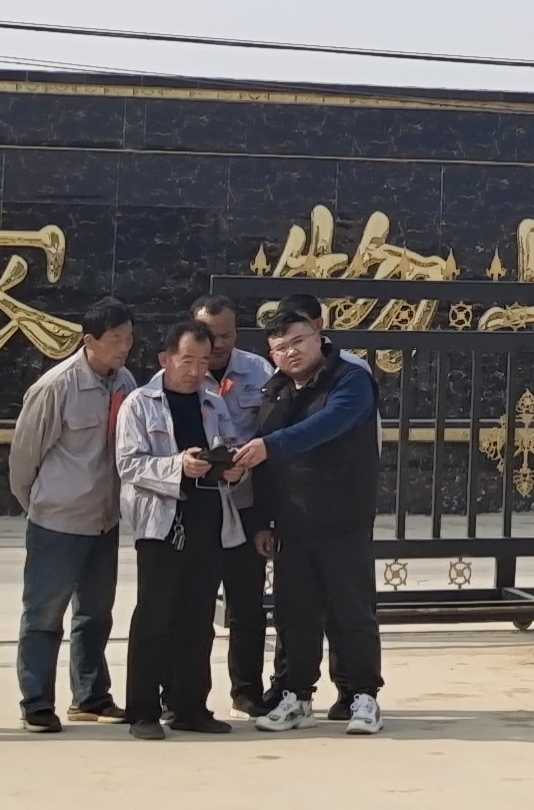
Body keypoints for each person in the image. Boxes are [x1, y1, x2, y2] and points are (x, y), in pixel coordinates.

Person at [229, 304, 385, 735]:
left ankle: (363, 697)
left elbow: (326, 425)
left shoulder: (351, 380)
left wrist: (271, 445)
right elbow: (264, 464)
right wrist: (262, 520)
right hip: (292, 524)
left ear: (318, 335)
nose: (291, 352)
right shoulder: (276, 390)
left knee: (351, 612)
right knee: (294, 614)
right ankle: (295, 696)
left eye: (298, 341)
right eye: (281, 348)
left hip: (343, 520)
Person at [112, 322, 257, 739]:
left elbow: (229, 446)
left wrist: (233, 468)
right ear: (165, 359)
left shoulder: (213, 401)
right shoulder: (140, 404)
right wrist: (178, 465)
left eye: (203, 362)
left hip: (209, 518)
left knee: (198, 617)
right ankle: (143, 711)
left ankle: (189, 706)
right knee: (154, 616)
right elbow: (129, 464)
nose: (195, 371)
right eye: (186, 361)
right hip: (161, 522)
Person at [4, 299, 142, 731]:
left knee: (96, 614)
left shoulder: (126, 383)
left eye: (129, 338)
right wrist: (41, 504)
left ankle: (91, 697)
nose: (124, 347)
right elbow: (24, 459)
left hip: (105, 520)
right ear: (89, 341)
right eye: (115, 339)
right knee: (44, 615)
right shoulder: (56, 386)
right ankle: (36, 702)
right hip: (58, 523)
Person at [186, 292, 284, 717]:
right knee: (194, 605)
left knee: (247, 606)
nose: (219, 344)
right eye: (210, 335)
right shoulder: (182, 373)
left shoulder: (260, 372)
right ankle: (186, 695)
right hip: (196, 504)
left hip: (245, 505)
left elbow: (273, 443)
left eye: (227, 335)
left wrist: (265, 516)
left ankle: (246, 692)